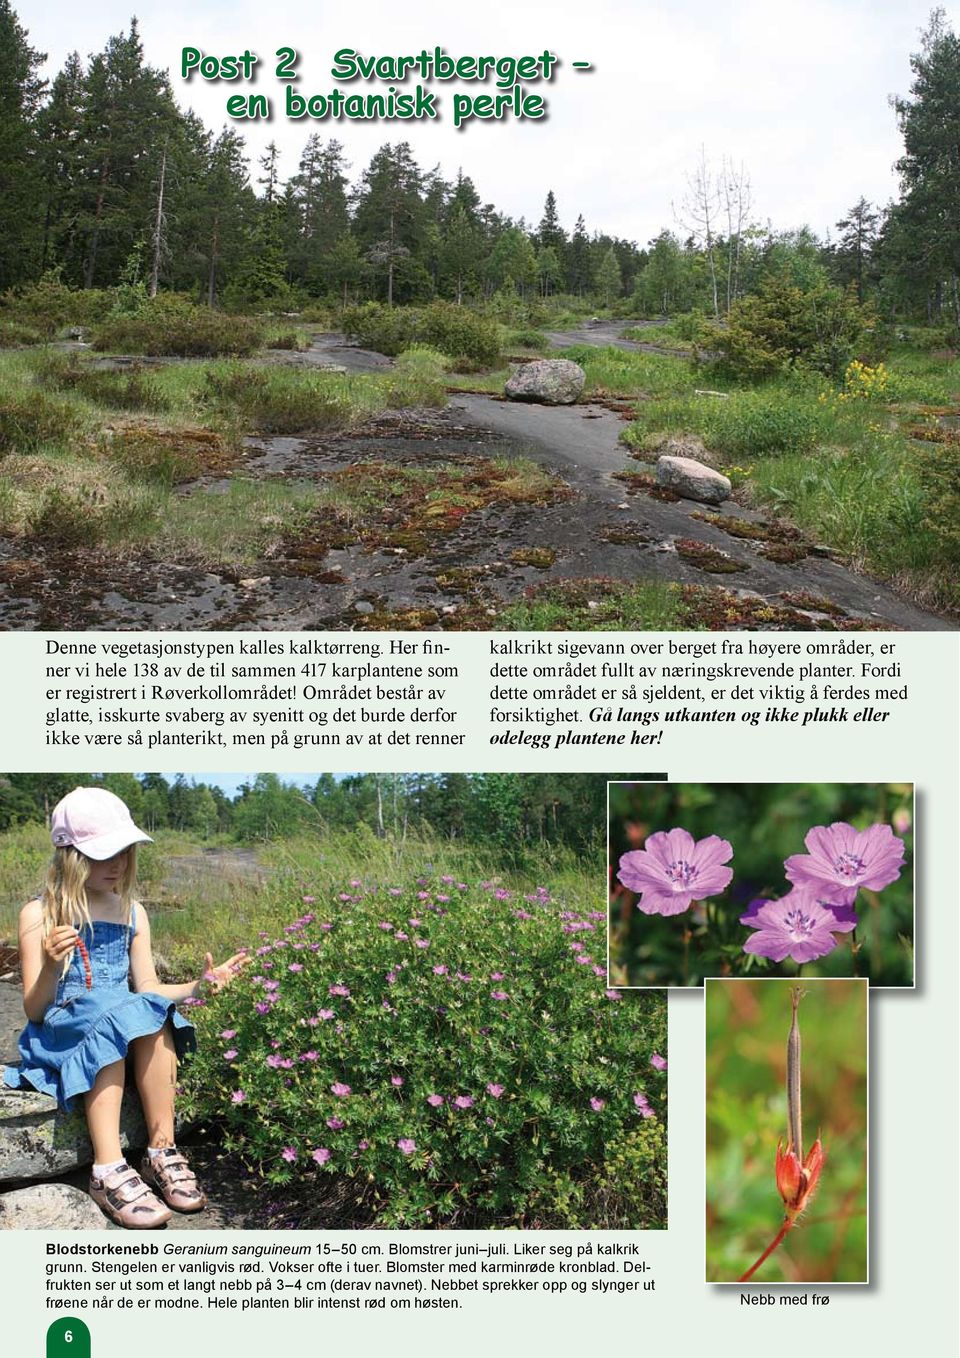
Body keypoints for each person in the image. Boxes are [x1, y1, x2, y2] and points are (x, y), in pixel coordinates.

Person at [2, 787, 248, 1228]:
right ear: (69, 855)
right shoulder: (40, 914)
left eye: (124, 851)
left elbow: (148, 986)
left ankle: (161, 1150)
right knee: (114, 1021)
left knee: (149, 1014)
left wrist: (199, 986)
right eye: (103, 854)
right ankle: (108, 1167)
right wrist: (54, 968)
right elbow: (36, 1011)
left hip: (115, 1013)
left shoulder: (133, 912)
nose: (117, 864)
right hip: (63, 1026)